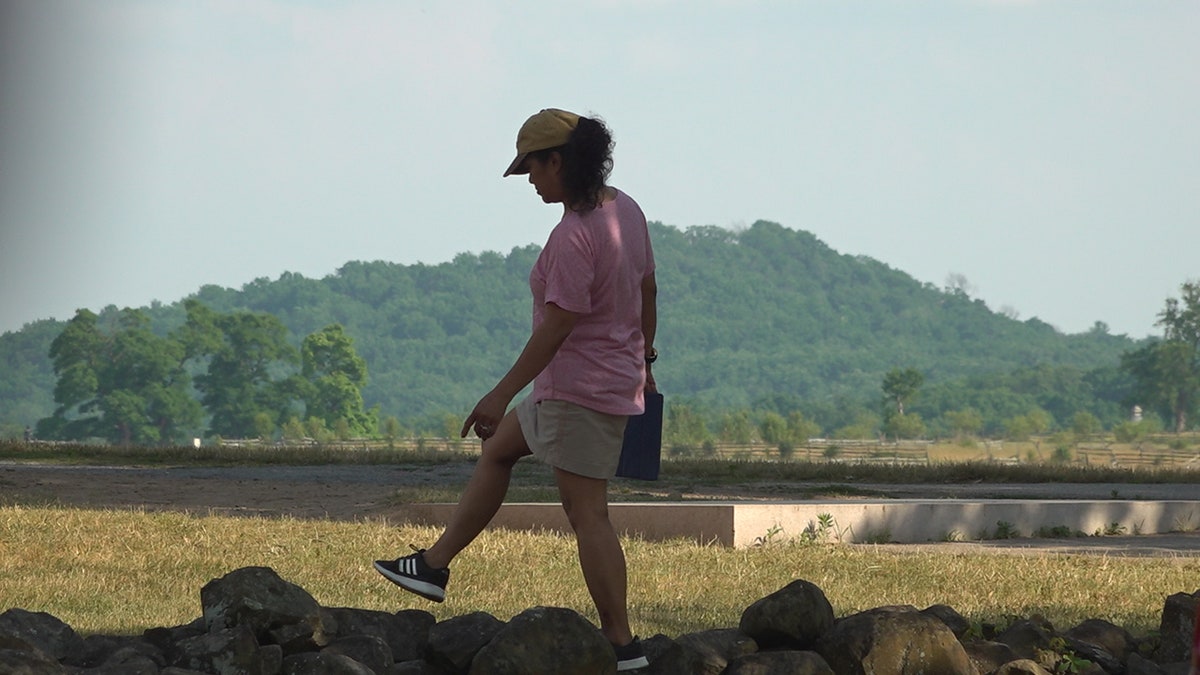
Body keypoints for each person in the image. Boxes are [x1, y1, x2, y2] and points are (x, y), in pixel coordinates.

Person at [374, 107, 657, 672]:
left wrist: (498, 393)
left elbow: (556, 329)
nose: (528, 180)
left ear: (559, 161)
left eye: (531, 168)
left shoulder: (575, 236)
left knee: (588, 515)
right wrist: (645, 355)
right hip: (593, 382)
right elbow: (648, 286)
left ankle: (623, 646)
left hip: (579, 391)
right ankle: (433, 565)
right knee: (499, 449)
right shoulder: (624, 207)